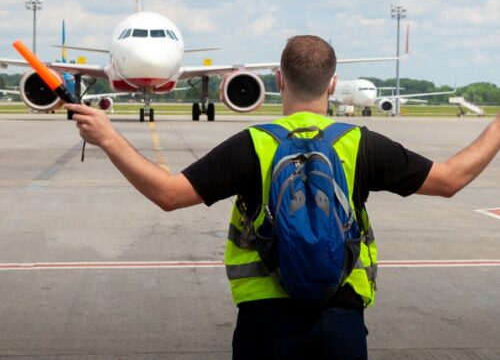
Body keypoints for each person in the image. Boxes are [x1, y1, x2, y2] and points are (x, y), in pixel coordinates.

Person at [66, 35, 500, 360]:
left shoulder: (252, 144)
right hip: (341, 320)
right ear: (334, 84)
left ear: (278, 79)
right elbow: (450, 179)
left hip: (264, 321)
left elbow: (167, 193)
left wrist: (109, 137)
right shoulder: (360, 143)